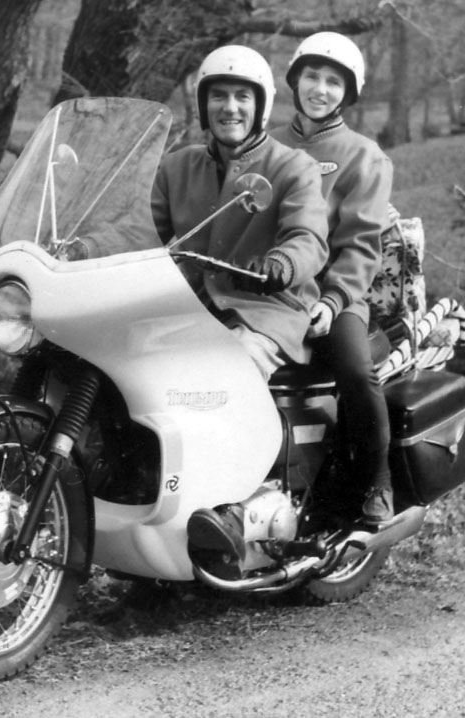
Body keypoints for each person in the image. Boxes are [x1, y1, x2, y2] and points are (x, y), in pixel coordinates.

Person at [146, 45, 330, 558]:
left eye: (242, 97)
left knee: (229, 374)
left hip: (267, 309)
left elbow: (309, 237)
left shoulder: (293, 166)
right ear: (204, 105)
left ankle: (239, 504)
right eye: (219, 96)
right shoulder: (177, 167)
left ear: (261, 106)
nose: (230, 107)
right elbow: (137, 229)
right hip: (192, 307)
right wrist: (87, 249)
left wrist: (281, 264)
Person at [270, 32, 395, 525]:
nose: (320, 89)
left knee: (356, 372)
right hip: (266, 291)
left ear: (348, 92)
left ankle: (378, 480)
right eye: (312, 77)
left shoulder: (365, 156)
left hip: (331, 293)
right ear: (295, 80)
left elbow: (362, 244)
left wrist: (333, 299)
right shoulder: (265, 145)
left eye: (333, 82)